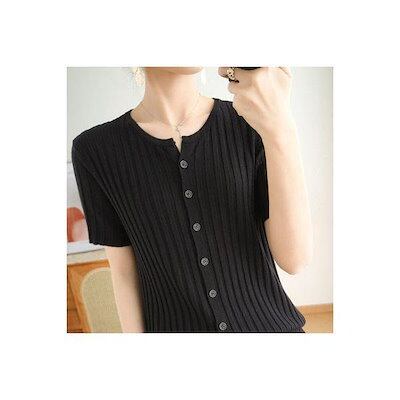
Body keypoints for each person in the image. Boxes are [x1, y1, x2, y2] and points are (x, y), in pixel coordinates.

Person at [71, 67, 313, 333]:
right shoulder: (95, 150)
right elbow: (124, 274)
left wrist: (281, 130)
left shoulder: (251, 122)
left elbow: (295, 260)